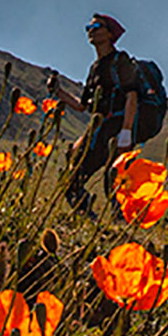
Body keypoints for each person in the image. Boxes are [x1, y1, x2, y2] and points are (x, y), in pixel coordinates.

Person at [56, 12, 140, 216]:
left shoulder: (121, 60)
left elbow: (132, 95)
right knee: (71, 178)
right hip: (98, 128)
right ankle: (88, 219)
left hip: (117, 127)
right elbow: (82, 106)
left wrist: (126, 133)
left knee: (114, 178)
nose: (90, 31)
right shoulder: (94, 69)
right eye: (88, 28)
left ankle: (119, 223)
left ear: (110, 33)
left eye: (96, 27)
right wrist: (58, 92)